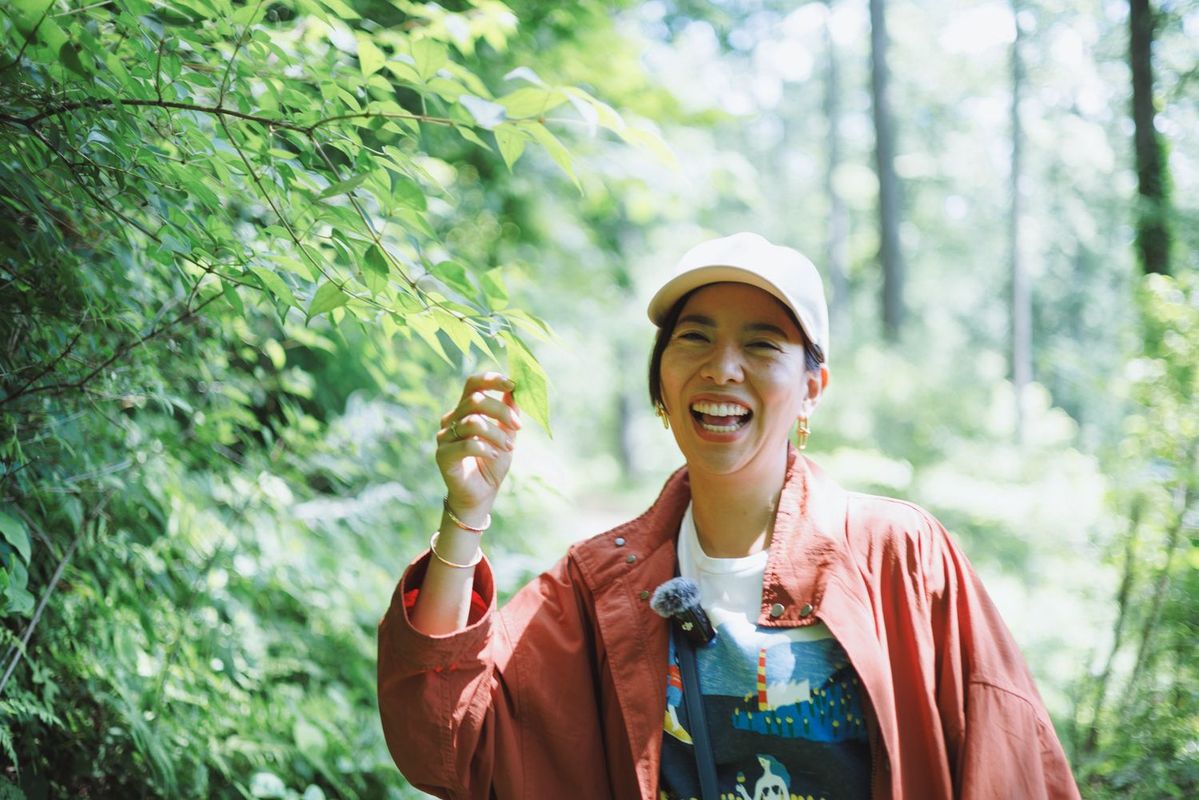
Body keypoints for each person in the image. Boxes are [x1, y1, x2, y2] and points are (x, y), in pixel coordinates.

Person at [377, 232, 1081, 799]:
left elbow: (1009, 757)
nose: (722, 368)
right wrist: (464, 514)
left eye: (761, 344)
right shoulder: (596, 586)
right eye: (694, 338)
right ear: (660, 382)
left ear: (812, 387)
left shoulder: (897, 555)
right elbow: (447, 743)